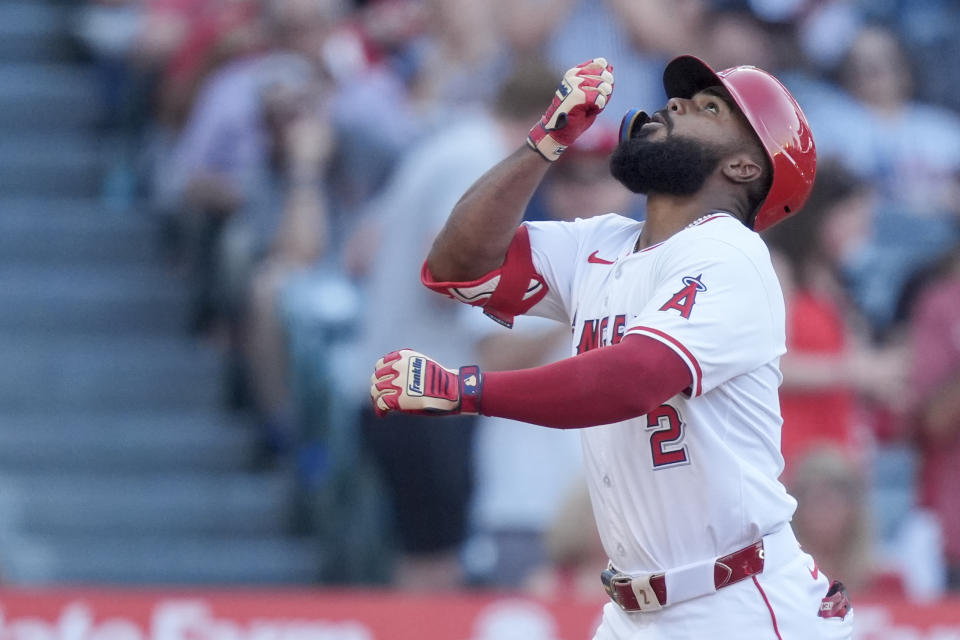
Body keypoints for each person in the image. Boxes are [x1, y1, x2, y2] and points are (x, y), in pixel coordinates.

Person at [370, 55, 854, 638]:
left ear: (746, 166)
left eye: (709, 108)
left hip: (739, 605)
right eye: (681, 97)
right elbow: (456, 266)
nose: (674, 104)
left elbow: (634, 378)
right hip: (633, 609)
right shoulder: (601, 242)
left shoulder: (732, 253)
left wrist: (465, 390)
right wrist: (545, 143)